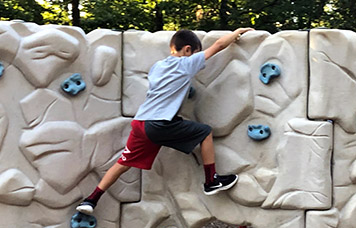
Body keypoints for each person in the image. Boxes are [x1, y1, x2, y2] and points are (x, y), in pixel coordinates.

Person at [76, 27, 252, 214]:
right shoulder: (186, 64)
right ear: (187, 50)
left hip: (141, 123)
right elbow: (218, 45)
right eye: (195, 53)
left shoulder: (158, 67)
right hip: (159, 124)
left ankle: (91, 200)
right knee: (205, 132)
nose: (196, 57)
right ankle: (211, 180)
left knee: (123, 164)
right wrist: (237, 33)